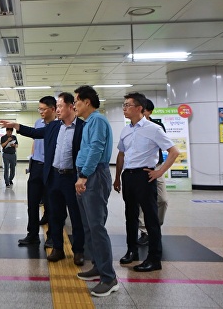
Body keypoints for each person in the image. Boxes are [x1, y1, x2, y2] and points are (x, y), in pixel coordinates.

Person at [0, 92, 85, 266]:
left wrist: (83, 176)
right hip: (53, 176)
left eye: (60, 106)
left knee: (76, 215)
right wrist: (16, 125)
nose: (58, 109)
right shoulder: (54, 127)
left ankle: (78, 251)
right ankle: (58, 248)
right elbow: (35, 133)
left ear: (71, 107)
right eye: (57, 106)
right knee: (54, 214)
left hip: (72, 177)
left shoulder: (82, 127)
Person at [113, 92, 179, 273]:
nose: (124, 108)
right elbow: (121, 154)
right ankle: (132, 251)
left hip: (145, 176)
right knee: (130, 216)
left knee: (150, 218)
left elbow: (174, 152)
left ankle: (154, 258)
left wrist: (160, 172)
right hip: (128, 176)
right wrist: (118, 177)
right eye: (124, 105)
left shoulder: (153, 128)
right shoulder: (126, 130)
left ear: (140, 108)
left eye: (128, 105)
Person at [73, 85, 117, 297]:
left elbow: (97, 148)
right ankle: (99, 266)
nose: (74, 106)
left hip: (94, 176)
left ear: (87, 101)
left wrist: (84, 176)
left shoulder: (97, 120)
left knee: (97, 226)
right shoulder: (90, 122)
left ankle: (109, 278)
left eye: (76, 101)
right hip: (86, 174)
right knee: (88, 226)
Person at [17, 96, 55, 246]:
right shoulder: (38, 123)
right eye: (39, 109)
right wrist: (31, 159)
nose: (40, 112)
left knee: (51, 204)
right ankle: (32, 234)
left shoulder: (58, 125)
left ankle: (52, 236)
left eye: (43, 109)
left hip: (50, 168)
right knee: (32, 202)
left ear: (52, 109)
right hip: (36, 166)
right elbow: (35, 140)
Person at [138, 99, 169, 246]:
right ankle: (145, 231)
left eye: (143, 111)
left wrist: (160, 170)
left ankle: (156, 227)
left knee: (162, 199)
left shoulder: (158, 126)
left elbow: (167, 147)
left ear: (149, 112)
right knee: (142, 201)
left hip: (156, 167)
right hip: (141, 169)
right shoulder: (133, 127)